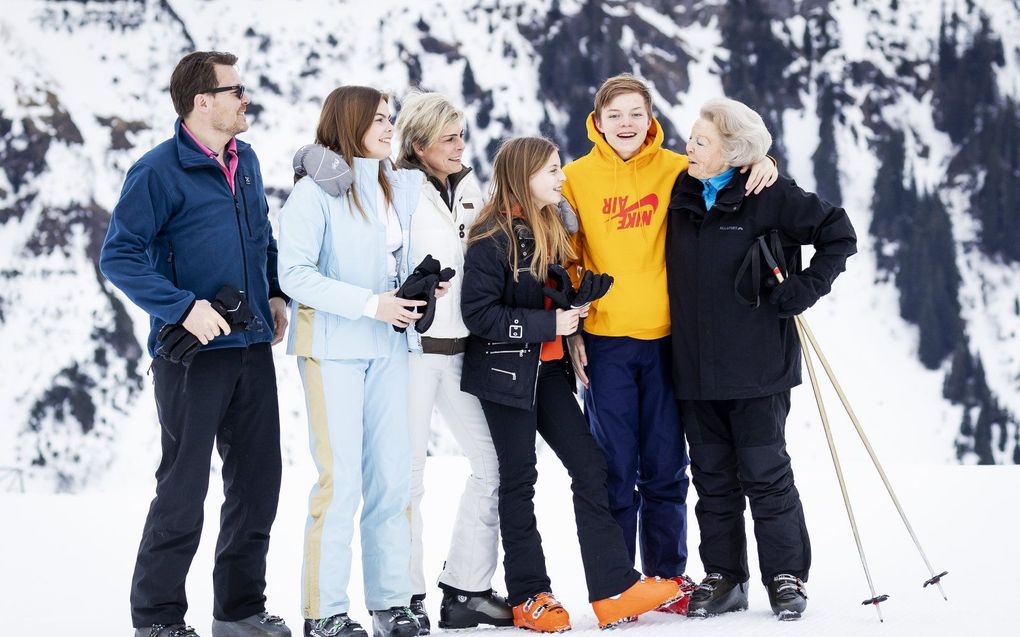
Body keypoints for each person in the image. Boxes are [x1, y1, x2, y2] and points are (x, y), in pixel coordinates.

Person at [560, 73, 778, 614]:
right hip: (606, 342)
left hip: (666, 343)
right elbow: (562, 254)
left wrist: (763, 164)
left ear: (650, 117)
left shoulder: (676, 169)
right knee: (615, 469)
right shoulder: (575, 179)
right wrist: (572, 330)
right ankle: (618, 584)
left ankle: (668, 577)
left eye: (636, 113)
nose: (626, 124)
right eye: (615, 115)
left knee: (665, 466)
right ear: (598, 120)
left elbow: (726, 172)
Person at [100, 51, 291, 637]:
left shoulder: (247, 160)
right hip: (191, 357)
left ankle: (238, 612)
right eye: (235, 90)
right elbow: (119, 255)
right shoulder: (157, 171)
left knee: (258, 485)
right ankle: (157, 620)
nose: (245, 98)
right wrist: (184, 306)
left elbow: (260, 235)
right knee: (183, 489)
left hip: (252, 348)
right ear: (201, 102)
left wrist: (276, 293)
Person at [460, 136, 682, 633]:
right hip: (504, 375)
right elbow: (478, 315)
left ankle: (613, 588)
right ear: (523, 176)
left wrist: (573, 323)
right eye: (551, 172)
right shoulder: (490, 235)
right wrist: (551, 326)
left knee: (591, 465)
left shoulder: (550, 224)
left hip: (547, 370)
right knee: (519, 480)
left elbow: (549, 301)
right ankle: (529, 595)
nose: (561, 179)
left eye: (560, 169)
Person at [665, 97, 857, 620]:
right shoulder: (679, 190)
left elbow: (838, 232)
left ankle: (785, 577)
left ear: (734, 153)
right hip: (693, 370)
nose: (689, 146)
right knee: (711, 479)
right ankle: (725, 577)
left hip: (757, 369)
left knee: (765, 475)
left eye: (701, 141)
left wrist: (808, 286)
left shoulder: (769, 194)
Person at [277, 86, 424, 637]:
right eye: (379, 119)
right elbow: (293, 274)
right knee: (340, 484)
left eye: (391, 118)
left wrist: (413, 295)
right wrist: (370, 305)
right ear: (350, 122)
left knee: (391, 478)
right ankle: (324, 612)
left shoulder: (393, 187)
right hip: (333, 349)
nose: (390, 127)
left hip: (389, 346)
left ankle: (390, 603)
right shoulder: (314, 193)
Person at [393, 91, 512, 631]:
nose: (461, 144)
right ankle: (404, 596)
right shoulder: (394, 190)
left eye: (461, 134)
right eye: (448, 137)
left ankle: (466, 588)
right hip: (411, 354)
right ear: (418, 145)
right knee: (407, 480)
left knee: (494, 466)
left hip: (465, 351)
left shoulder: (470, 188)